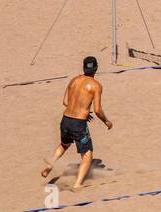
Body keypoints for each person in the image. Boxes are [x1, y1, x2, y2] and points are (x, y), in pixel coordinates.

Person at [41, 56, 112, 190]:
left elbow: (65, 102)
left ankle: (50, 166)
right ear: (96, 68)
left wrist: (82, 111)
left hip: (66, 119)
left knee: (64, 144)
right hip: (78, 124)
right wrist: (107, 122)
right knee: (87, 154)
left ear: (83, 68)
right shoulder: (96, 86)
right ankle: (78, 183)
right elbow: (97, 110)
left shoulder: (74, 80)